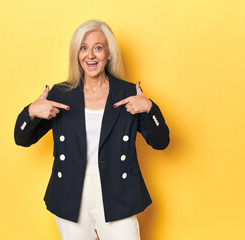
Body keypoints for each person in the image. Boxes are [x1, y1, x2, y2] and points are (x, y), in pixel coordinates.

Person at [14, 19, 169, 240]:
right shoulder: (60, 94)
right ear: (77, 55)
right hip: (70, 189)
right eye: (84, 48)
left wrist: (150, 108)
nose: (91, 55)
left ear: (109, 54)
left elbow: (161, 142)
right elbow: (22, 138)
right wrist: (30, 111)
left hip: (118, 186)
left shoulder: (128, 93)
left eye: (98, 48)